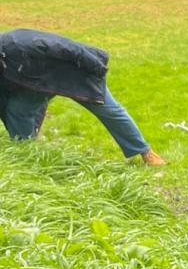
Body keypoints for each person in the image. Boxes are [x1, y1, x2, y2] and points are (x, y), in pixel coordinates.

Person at [0, 28, 165, 166]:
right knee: (18, 110)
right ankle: (26, 156)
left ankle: (145, 152)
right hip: (39, 82)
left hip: (76, 74)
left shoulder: (17, 45)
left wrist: (97, 66)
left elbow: (67, 47)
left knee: (108, 110)